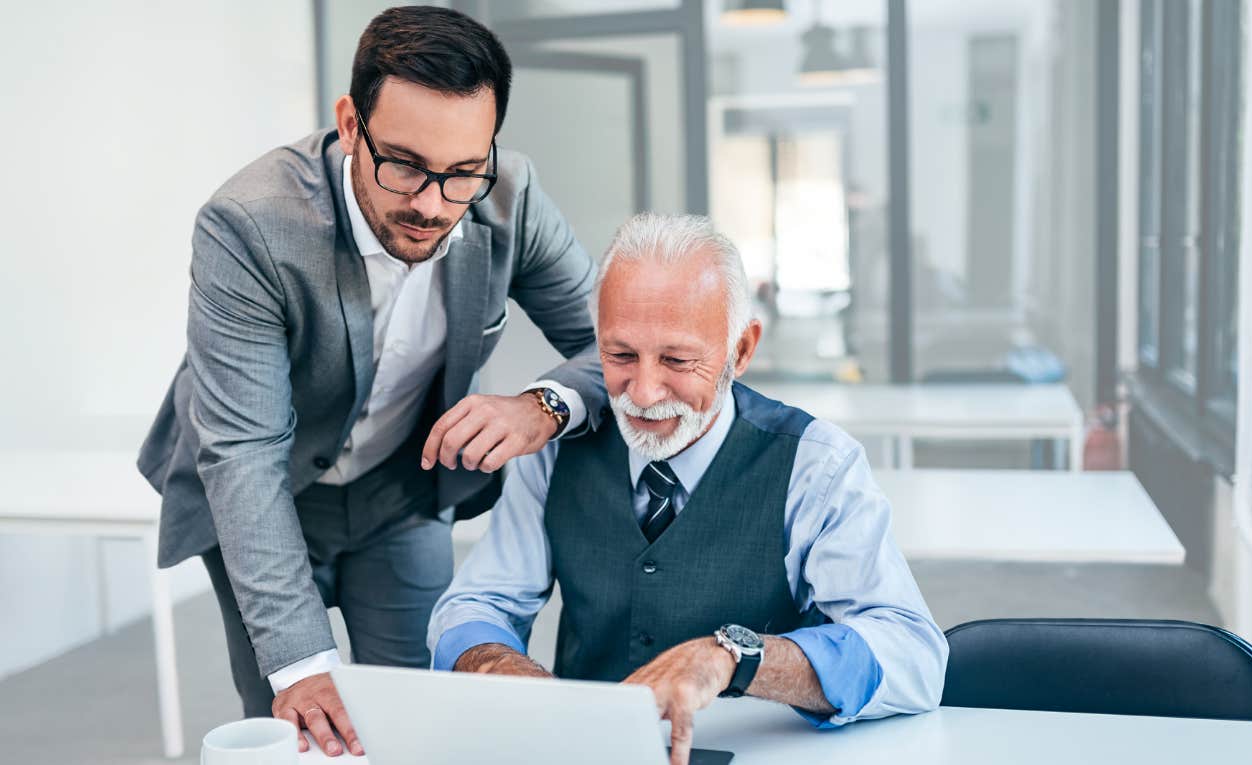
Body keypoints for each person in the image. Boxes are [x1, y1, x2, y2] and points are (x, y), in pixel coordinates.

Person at [137, 6, 605, 757]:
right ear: (350, 124)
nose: (431, 203)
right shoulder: (249, 225)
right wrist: (305, 666)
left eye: (461, 173)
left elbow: (609, 344)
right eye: (406, 165)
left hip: (400, 488)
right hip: (267, 490)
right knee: (296, 720)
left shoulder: (510, 195)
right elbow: (246, 455)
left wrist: (544, 405)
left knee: (417, 709)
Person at [427, 213, 948, 765]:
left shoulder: (816, 465)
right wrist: (496, 665)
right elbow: (478, 603)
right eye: (620, 355)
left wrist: (736, 658)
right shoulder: (554, 454)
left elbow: (913, 654)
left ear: (741, 351)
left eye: (677, 360)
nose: (645, 394)